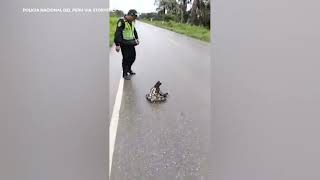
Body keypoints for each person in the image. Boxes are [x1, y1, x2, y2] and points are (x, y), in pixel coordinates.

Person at [114, 9, 139, 80]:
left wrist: (137, 38)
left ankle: (129, 69)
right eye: (134, 17)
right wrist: (117, 44)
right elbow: (117, 33)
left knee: (133, 57)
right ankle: (125, 74)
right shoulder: (121, 21)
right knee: (126, 59)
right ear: (130, 15)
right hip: (124, 43)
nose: (135, 18)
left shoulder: (132, 21)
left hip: (131, 43)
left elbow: (134, 30)